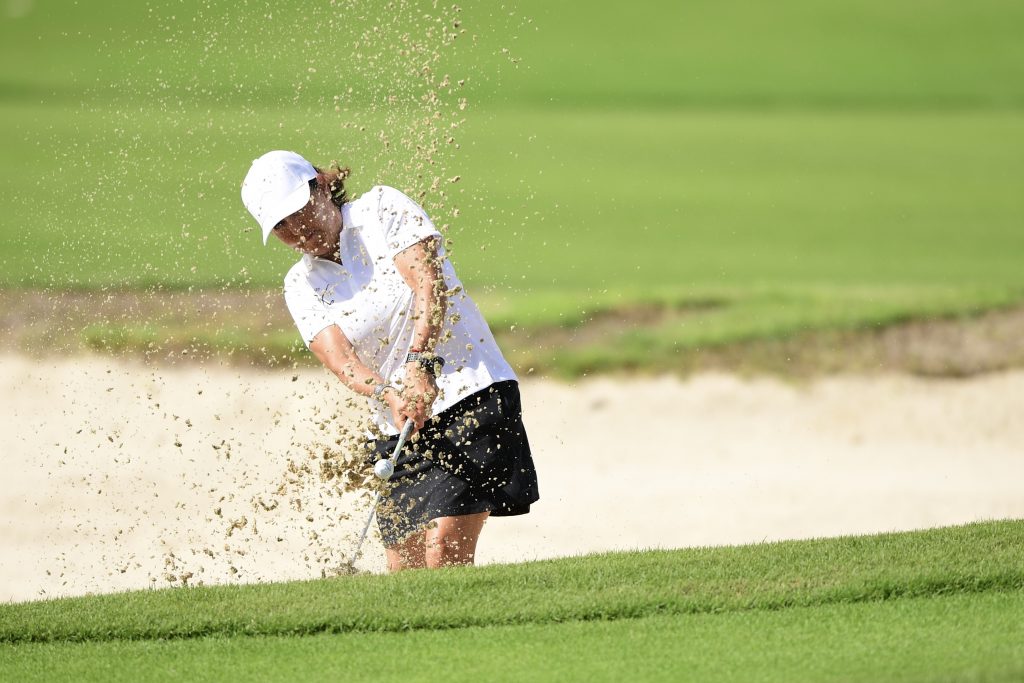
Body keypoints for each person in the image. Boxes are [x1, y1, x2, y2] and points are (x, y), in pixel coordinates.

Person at [241, 150, 539, 571]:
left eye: (297, 211)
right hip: (399, 425)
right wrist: (386, 392)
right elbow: (339, 358)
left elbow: (427, 282)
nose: (296, 230)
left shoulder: (381, 208)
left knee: (443, 558)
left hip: (468, 393)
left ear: (322, 186)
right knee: (404, 573)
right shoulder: (300, 285)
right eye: (280, 226)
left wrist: (420, 363)